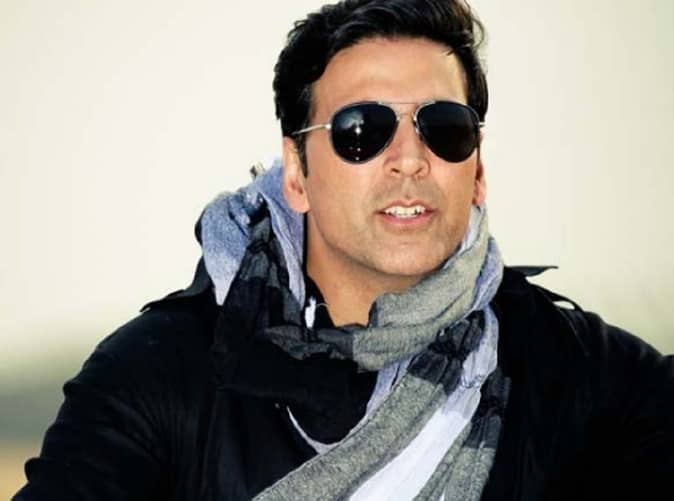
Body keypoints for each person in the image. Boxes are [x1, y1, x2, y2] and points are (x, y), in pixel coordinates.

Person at [13, 0, 674, 500]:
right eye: (363, 129)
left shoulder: (584, 379)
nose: (410, 158)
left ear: (476, 171)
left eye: (444, 128)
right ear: (296, 174)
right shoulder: (160, 377)